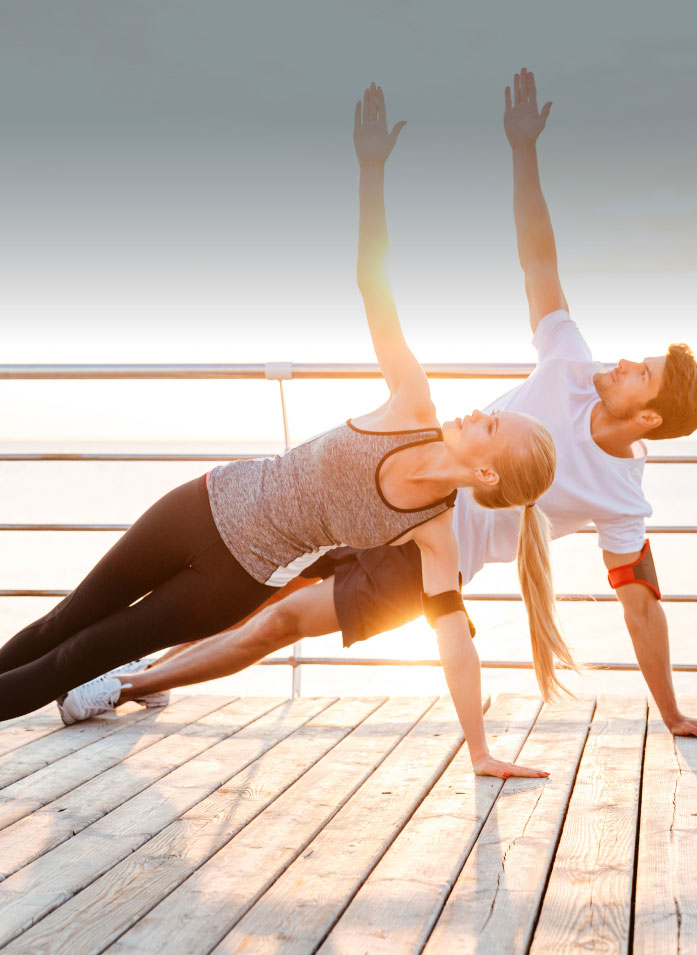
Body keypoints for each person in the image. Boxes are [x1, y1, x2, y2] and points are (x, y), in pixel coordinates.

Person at [62, 69, 697, 750]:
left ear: (649, 417)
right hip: (389, 491)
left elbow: (640, 609)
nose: (625, 363)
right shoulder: (572, 361)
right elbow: (539, 258)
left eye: (643, 373)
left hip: (425, 563)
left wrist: (673, 714)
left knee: (280, 624)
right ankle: (146, 671)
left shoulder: (623, 497)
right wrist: (522, 148)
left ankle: (119, 687)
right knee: (257, 587)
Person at [0, 85, 570, 779]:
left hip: (229, 580)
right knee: (64, 622)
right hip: (201, 503)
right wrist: (371, 169)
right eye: (492, 408)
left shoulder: (434, 531)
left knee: (79, 655)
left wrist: (480, 750)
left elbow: (454, 640)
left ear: (488, 474)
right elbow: (373, 284)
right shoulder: (413, 399)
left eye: (492, 425)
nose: (479, 410)